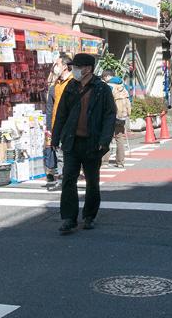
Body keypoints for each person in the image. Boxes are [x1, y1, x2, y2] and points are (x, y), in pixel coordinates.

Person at [51, 53, 116, 234]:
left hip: (92, 142)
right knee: (68, 180)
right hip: (71, 141)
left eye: (77, 67)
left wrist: (104, 140)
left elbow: (110, 116)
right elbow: (61, 114)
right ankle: (69, 218)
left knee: (92, 181)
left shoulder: (102, 89)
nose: (74, 70)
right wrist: (55, 138)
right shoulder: (70, 87)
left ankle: (89, 216)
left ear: (87, 69)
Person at [45, 55, 73, 184]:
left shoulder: (74, 82)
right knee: (60, 153)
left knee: (70, 154)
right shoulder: (56, 85)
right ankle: (63, 178)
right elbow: (51, 108)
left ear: (65, 66)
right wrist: (49, 127)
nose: (55, 67)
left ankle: (70, 176)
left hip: (72, 125)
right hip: (58, 125)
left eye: (57, 64)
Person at [101, 70, 131, 168]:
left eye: (104, 78)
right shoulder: (123, 85)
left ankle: (105, 162)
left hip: (109, 116)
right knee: (120, 138)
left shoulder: (107, 86)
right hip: (122, 115)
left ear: (107, 77)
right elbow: (130, 100)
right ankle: (120, 162)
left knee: (107, 138)